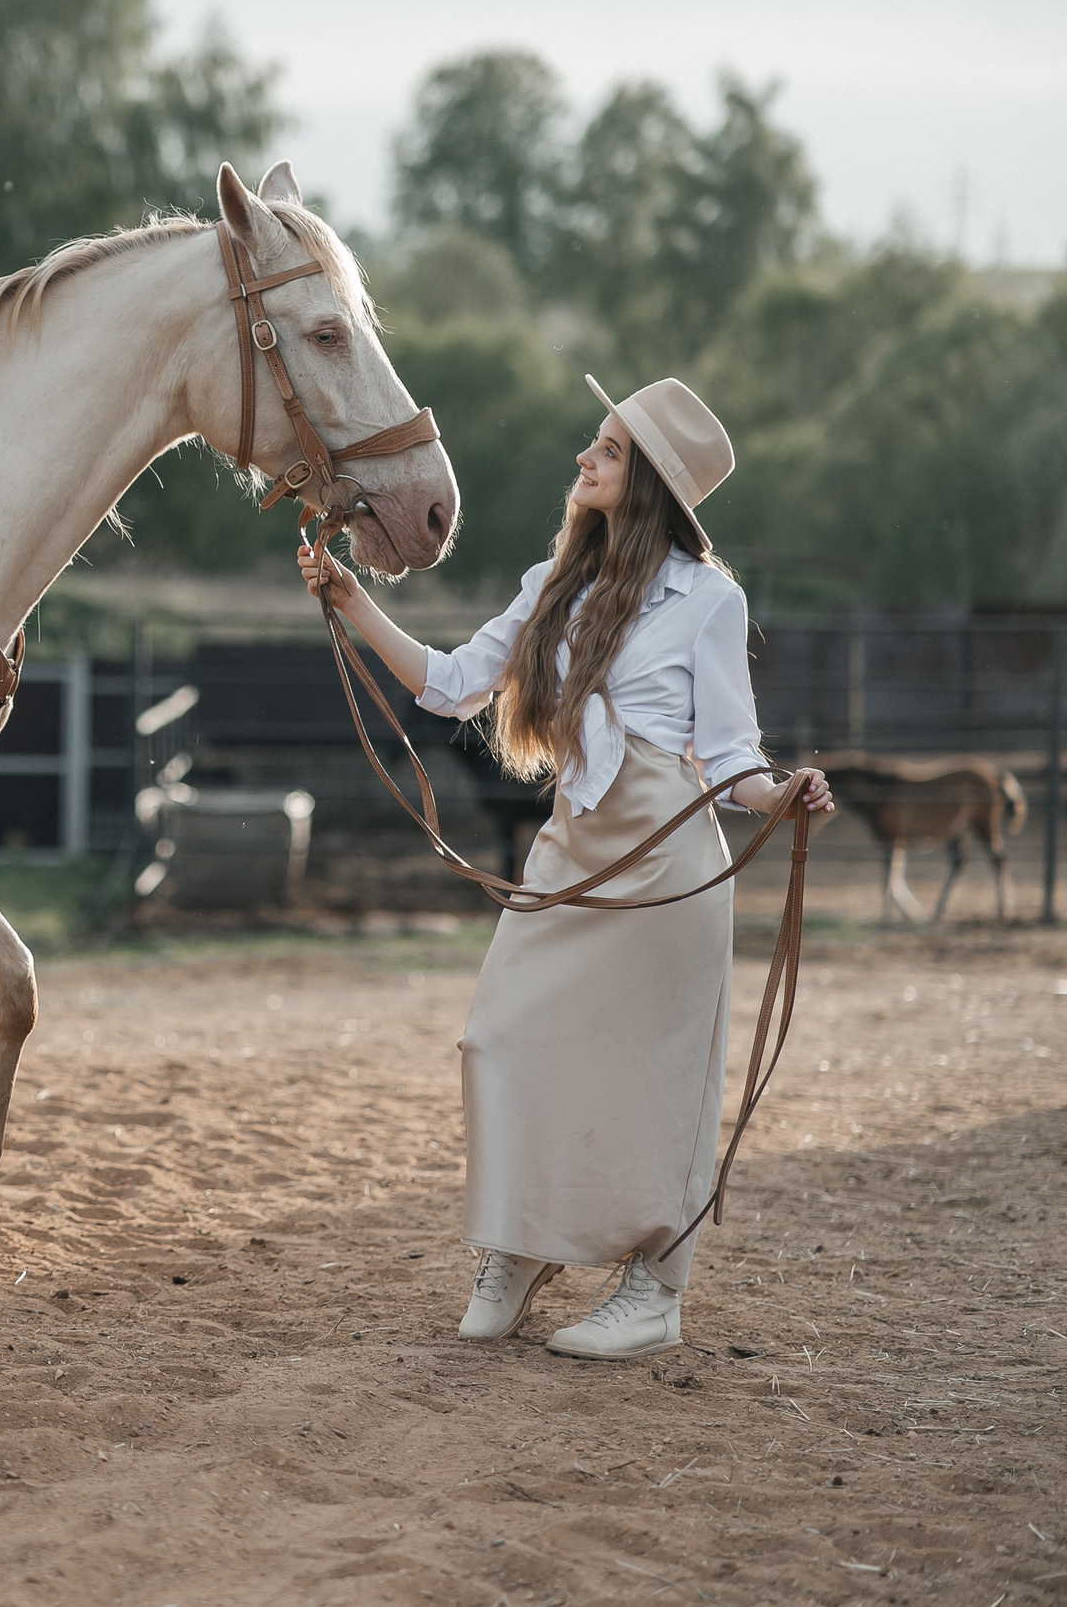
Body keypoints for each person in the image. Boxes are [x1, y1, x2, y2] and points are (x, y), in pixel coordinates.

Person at [299, 376, 834, 1361]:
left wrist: (783, 792)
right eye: (594, 445)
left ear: (648, 487)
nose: (583, 461)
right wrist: (351, 599)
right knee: (498, 1041)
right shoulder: (555, 584)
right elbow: (455, 686)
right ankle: (520, 1244)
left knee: (653, 1077)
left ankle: (655, 1289)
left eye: (608, 451)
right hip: (570, 852)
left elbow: (728, 759)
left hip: (663, 861)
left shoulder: (710, 600)